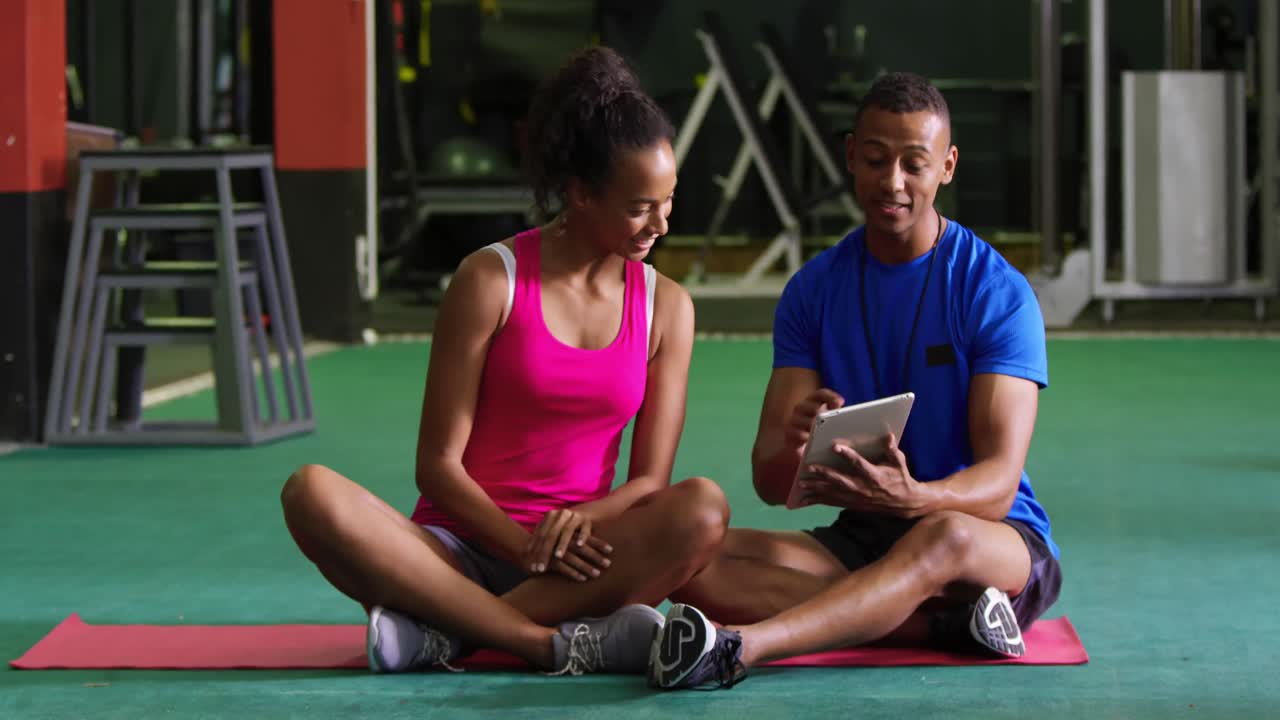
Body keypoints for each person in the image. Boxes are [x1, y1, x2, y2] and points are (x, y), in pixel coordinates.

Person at [281, 46, 729, 677]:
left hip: (578, 558)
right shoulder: (490, 280)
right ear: (577, 194)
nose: (661, 224)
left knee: (703, 508)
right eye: (638, 206)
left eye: (668, 200)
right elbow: (436, 468)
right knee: (311, 494)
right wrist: (521, 545)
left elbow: (649, 482)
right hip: (454, 549)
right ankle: (545, 642)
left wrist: (571, 530)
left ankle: (450, 632)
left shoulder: (668, 308)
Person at [648, 72, 1062, 690]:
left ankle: (741, 649)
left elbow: (998, 486)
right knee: (685, 563)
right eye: (874, 159)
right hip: (863, 537)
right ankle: (941, 626)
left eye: (914, 165)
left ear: (947, 167)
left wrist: (914, 499)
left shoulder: (996, 292)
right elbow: (770, 482)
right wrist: (793, 443)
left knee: (941, 536)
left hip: (989, 542)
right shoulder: (813, 291)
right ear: (850, 156)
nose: (891, 182)